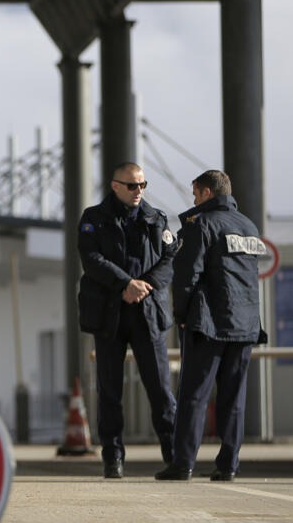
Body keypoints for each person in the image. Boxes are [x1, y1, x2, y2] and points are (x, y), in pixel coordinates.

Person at [156, 169, 266, 483]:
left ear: (206, 192)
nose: (193, 201)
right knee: (234, 398)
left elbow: (187, 276)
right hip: (245, 325)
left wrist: (181, 314)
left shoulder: (201, 224)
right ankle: (228, 465)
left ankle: (183, 464)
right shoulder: (248, 226)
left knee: (194, 395)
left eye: (195, 194)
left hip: (209, 324)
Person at [76, 162, 178, 479]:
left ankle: (175, 456)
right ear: (115, 186)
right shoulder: (93, 218)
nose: (138, 191)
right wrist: (125, 284)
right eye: (132, 185)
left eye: (143, 185)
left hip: (147, 313)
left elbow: (170, 258)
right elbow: (91, 259)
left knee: (161, 390)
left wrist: (144, 285)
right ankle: (113, 458)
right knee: (110, 392)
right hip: (110, 314)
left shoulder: (156, 218)